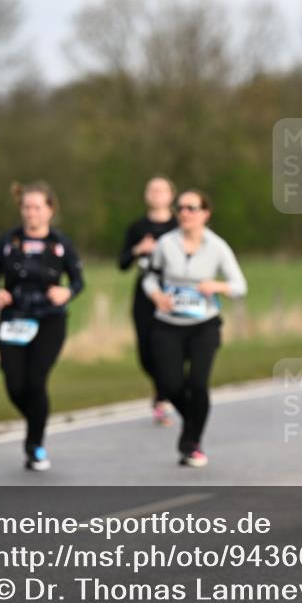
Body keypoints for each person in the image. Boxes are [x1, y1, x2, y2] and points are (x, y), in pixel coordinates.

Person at [142, 190, 247, 466]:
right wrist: (157, 296)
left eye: (192, 208)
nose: (185, 213)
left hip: (204, 325)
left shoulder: (217, 247)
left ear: (205, 213)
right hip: (168, 324)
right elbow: (149, 279)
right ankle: (193, 417)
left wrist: (218, 286)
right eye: (181, 208)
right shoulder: (165, 244)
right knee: (169, 383)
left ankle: (191, 442)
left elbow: (240, 286)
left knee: (198, 384)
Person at [0, 182, 84, 471]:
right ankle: (37, 418)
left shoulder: (61, 243)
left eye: (37, 207)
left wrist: (67, 292)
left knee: (36, 379)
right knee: (14, 382)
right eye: (26, 207)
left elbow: (78, 280)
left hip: (49, 319)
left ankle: (35, 444)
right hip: (14, 317)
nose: (31, 213)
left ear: (50, 210)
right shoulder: (8, 241)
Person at [119, 176, 179, 427]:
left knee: (168, 347)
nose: (156, 194)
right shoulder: (136, 227)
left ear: (171, 195)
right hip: (144, 293)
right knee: (146, 351)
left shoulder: (180, 224)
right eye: (151, 189)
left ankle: (163, 398)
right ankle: (161, 388)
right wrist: (137, 249)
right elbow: (121, 264)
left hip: (174, 291)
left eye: (161, 189)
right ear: (146, 195)